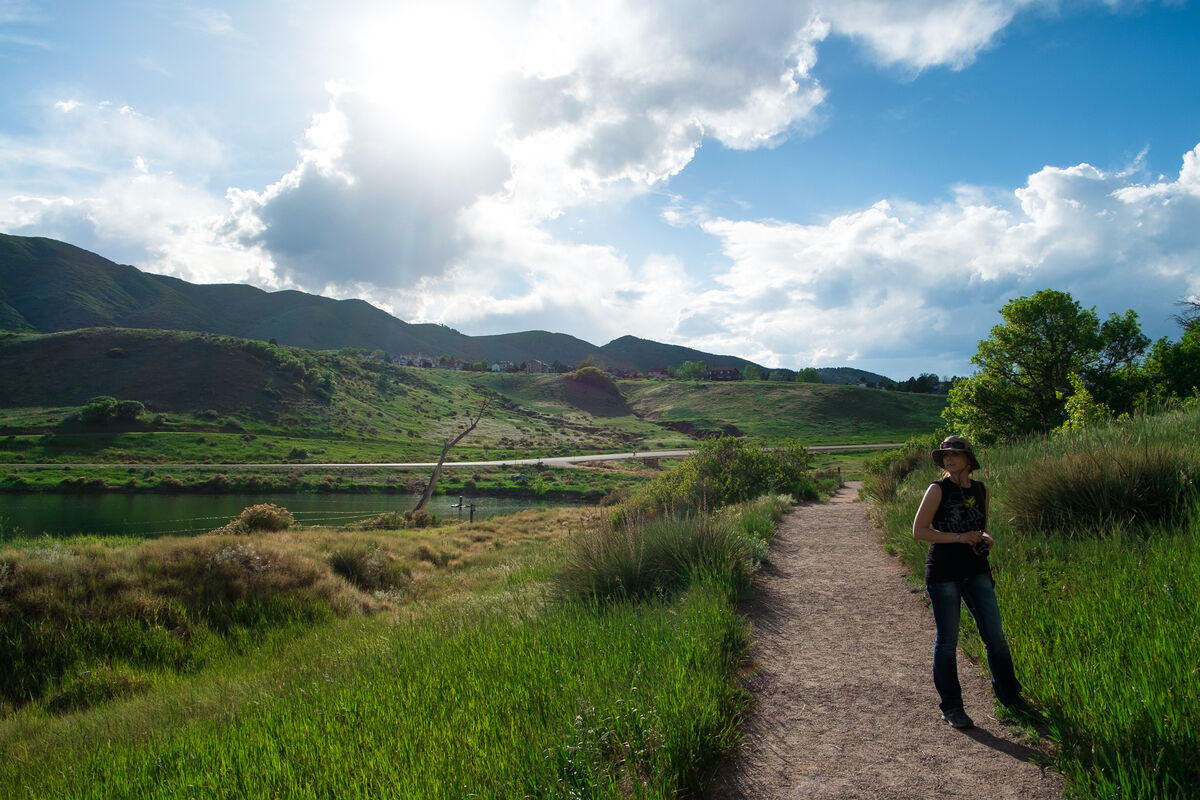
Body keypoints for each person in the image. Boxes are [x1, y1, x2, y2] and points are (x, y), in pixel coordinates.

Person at [912, 435, 1039, 729]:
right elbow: (919, 531)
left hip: (977, 570)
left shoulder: (982, 490)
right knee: (947, 642)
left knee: (995, 637)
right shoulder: (937, 489)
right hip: (943, 572)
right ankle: (952, 707)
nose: (948, 459)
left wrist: (985, 539)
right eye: (945, 455)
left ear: (969, 459)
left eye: (955, 454)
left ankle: (1011, 699)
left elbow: (983, 529)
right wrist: (957, 537)